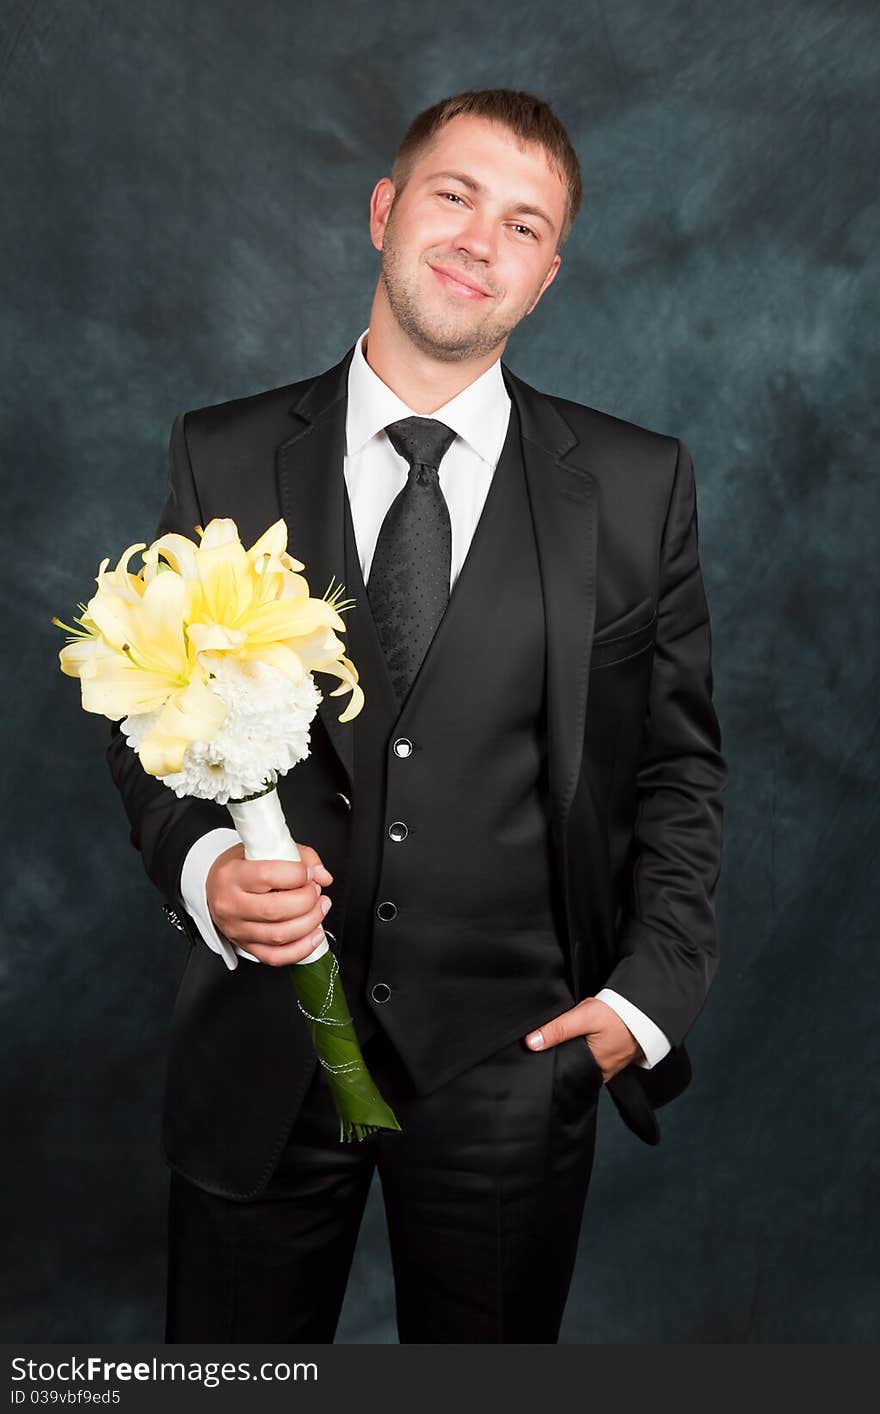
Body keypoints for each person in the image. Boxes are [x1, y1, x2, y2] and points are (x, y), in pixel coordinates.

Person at [107, 87, 727, 1344]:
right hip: (261, 1057)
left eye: (523, 224)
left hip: (517, 1061)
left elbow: (676, 770)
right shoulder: (219, 450)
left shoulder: (634, 482)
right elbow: (151, 706)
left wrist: (645, 1000)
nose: (478, 240)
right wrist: (208, 865)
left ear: (545, 278)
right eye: (453, 195)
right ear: (385, 210)